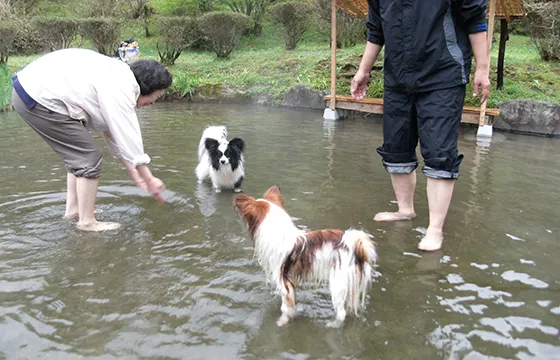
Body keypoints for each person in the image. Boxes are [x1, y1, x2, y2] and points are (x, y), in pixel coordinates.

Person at [351, 0, 491, 251]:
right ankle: (405, 210)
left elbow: (475, 19)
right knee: (396, 146)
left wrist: (482, 68)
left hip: (443, 74)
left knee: (439, 151)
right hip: (397, 77)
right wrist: (364, 70)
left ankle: (435, 229)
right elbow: (376, 30)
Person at [11, 48, 172, 232]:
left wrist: (133, 171)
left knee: (78, 156)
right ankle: (87, 222)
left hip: (28, 93)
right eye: (156, 96)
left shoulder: (117, 75)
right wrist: (149, 178)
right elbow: (128, 135)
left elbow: (114, 133)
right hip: (38, 97)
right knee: (89, 157)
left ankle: (74, 212)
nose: (153, 103)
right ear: (148, 87)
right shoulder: (122, 85)